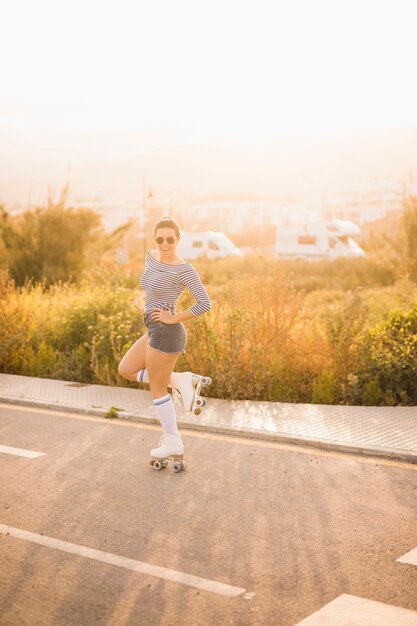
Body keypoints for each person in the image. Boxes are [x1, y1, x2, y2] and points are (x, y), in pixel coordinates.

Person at [118, 215, 211, 465]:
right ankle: (180, 379)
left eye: (170, 239)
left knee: (157, 388)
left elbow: (204, 303)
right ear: (155, 239)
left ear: (178, 240)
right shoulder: (151, 257)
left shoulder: (184, 269)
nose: (165, 243)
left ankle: (173, 440)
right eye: (160, 239)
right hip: (153, 328)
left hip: (166, 331)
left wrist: (173, 318)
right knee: (126, 369)